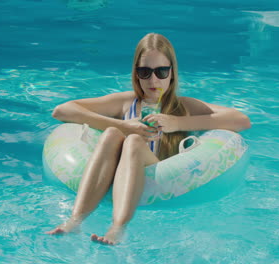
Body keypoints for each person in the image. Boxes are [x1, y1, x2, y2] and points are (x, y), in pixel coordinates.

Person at [45, 33, 251, 245]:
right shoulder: (126, 103)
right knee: (111, 134)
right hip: (119, 170)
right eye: (145, 72)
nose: (154, 80)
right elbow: (61, 110)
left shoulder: (184, 107)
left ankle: (118, 227)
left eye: (162, 71)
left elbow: (241, 120)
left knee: (133, 141)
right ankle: (75, 220)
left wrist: (177, 123)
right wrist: (123, 125)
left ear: (172, 73)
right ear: (136, 74)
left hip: (159, 173)